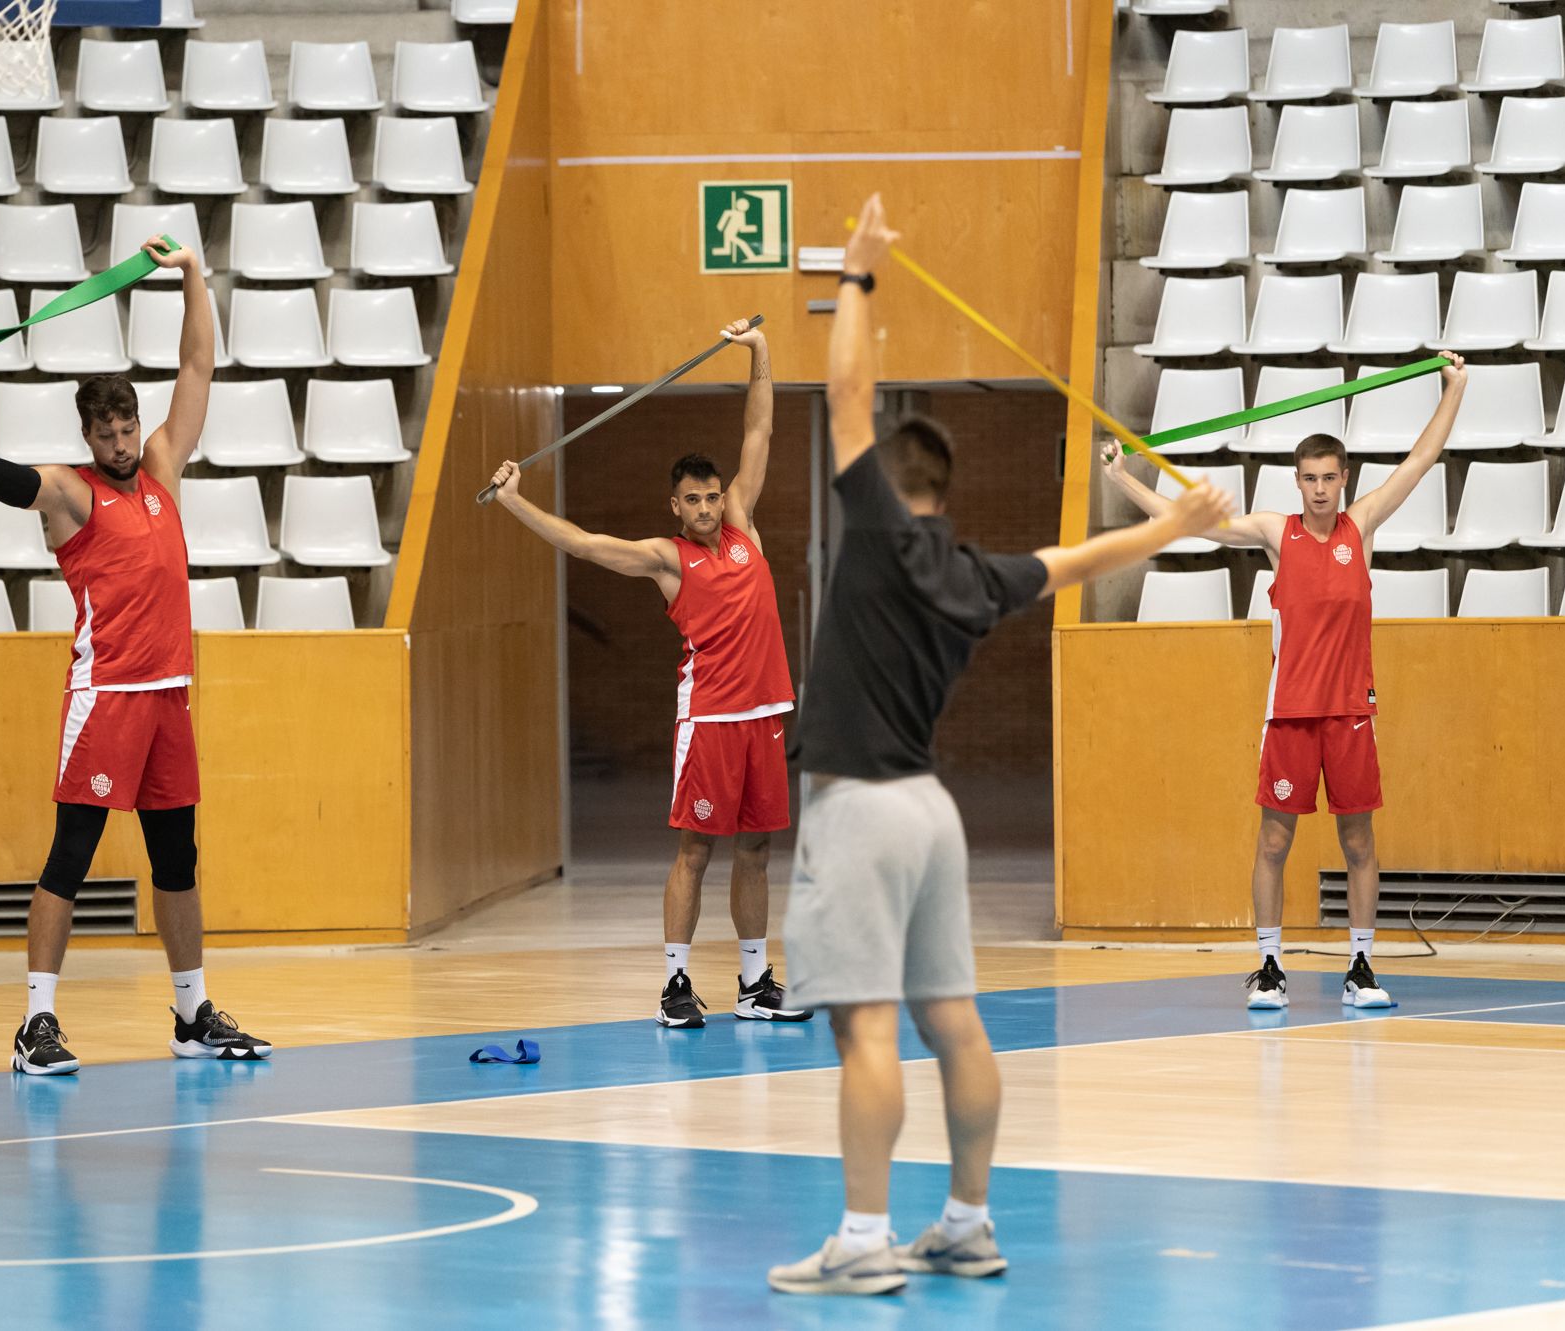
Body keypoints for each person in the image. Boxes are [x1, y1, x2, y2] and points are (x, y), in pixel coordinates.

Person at [767, 195, 1236, 1296]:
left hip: (860, 806)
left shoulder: (877, 535)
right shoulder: (976, 576)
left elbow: (842, 397)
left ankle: (862, 1237)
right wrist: (1177, 524)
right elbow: (1078, 558)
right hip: (932, 813)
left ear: (891, 482)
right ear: (948, 492)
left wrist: (858, 277)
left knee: (867, 1028)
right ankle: (968, 1221)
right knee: (954, 1019)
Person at [0, 235, 270, 1076]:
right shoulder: (68, 491)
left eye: (129, 426)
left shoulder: (164, 468)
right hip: (108, 697)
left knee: (178, 857)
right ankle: (36, 1024)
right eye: (110, 431)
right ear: (89, 435)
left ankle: (192, 1011)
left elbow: (198, 369)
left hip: (170, 694)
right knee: (72, 856)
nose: (124, 441)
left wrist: (194, 273)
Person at [1100, 352, 1467, 1012]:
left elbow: (1420, 460)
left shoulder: (1364, 524)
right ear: (1297, 482)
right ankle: (1268, 967)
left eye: (1329, 477)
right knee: (1273, 841)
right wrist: (1123, 478)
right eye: (1309, 479)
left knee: (1359, 842)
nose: (1320, 489)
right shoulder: (1278, 532)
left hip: (1351, 712)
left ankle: (1360, 966)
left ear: (1343, 476)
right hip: (1291, 715)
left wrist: (1455, 387)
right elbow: (1193, 522)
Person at [488, 316, 808, 1027]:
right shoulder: (666, 558)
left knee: (756, 847)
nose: (705, 507)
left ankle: (754, 983)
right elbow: (584, 544)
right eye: (691, 499)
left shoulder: (744, 525)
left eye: (711, 496)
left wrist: (759, 349)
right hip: (710, 722)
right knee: (695, 848)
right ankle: (675, 985)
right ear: (675, 506)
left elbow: (758, 431)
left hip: (763, 716)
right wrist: (515, 500)